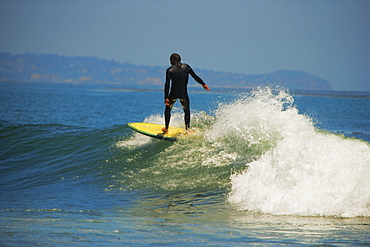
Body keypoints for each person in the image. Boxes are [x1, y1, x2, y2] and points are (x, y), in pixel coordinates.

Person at [162, 53, 210, 134]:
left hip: (173, 93)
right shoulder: (186, 67)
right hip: (183, 93)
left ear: (172, 60)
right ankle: (187, 129)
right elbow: (195, 77)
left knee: (168, 109)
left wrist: (166, 97)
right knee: (186, 110)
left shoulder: (169, 70)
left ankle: (166, 129)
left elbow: (167, 84)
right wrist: (203, 84)